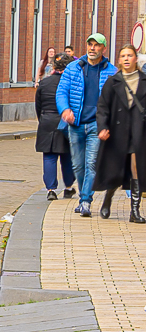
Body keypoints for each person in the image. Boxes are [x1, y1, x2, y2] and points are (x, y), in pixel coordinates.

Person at [60, 33, 116, 217]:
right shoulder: (73, 67)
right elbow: (62, 92)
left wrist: (108, 125)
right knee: (77, 165)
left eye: (97, 45)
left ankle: (85, 200)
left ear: (103, 49)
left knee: (91, 163)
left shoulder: (111, 72)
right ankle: (83, 197)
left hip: (95, 125)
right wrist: (65, 109)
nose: (92, 48)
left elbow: (116, 101)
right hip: (75, 124)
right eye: (90, 44)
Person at [95, 45, 146, 221]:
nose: (126, 58)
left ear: (135, 59)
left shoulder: (144, 80)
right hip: (117, 132)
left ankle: (135, 211)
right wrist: (102, 127)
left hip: (139, 133)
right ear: (119, 60)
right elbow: (102, 107)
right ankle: (107, 200)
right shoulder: (112, 81)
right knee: (116, 169)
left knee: (136, 169)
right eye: (123, 55)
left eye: (129, 55)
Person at [36, 56, 77, 201]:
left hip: (46, 121)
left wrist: (42, 119)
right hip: (64, 122)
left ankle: (51, 190)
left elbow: (38, 105)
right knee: (67, 156)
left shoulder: (44, 83)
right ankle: (68, 187)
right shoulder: (71, 83)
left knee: (49, 156)